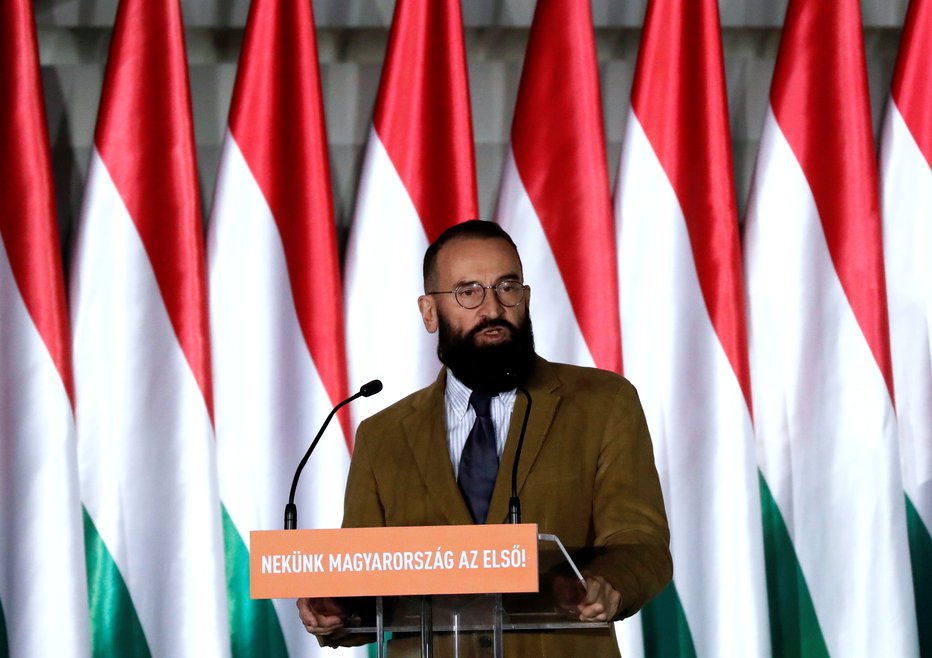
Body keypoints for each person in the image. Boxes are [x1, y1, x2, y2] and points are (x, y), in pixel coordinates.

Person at [298, 220, 671, 656]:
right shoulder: (383, 436)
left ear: (525, 298)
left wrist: (608, 585)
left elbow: (640, 542)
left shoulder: (603, 403)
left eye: (507, 287)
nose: (492, 308)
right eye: (468, 291)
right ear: (429, 312)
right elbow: (366, 578)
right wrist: (336, 608)